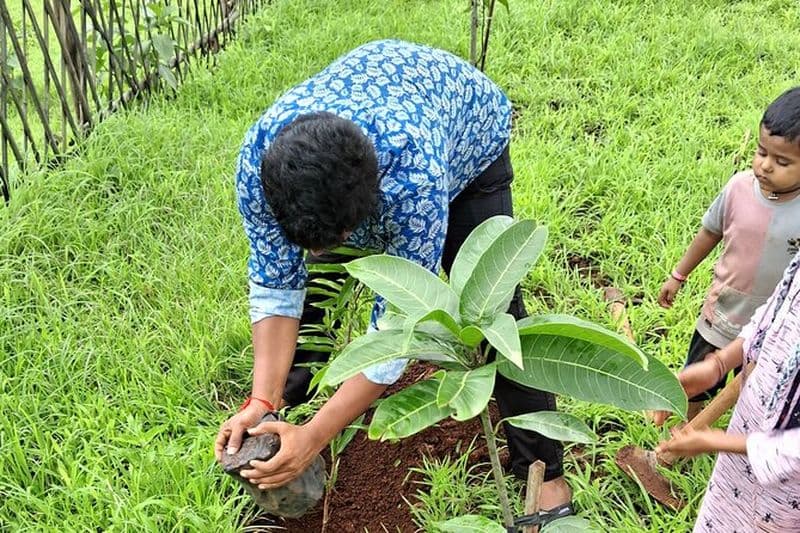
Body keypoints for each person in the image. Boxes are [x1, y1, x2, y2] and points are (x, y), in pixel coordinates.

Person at [214, 39, 572, 511]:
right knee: (314, 293)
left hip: (468, 132)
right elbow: (275, 287)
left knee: (493, 313)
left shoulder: (413, 181)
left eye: (335, 238)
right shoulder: (258, 165)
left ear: (370, 208)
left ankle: (543, 471)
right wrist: (260, 401)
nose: (319, 253)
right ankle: (280, 413)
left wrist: (317, 437)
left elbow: (396, 333)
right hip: (374, 111)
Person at [658, 86, 800, 420]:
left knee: (754, 388)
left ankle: (737, 429)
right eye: (761, 152)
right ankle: (686, 424)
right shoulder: (738, 188)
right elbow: (710, 232)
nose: (765, 166)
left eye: (782, 161)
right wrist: (678, 275)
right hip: (722, 313)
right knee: (698, 378)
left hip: (774, 327)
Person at [655, 250, 800, 532]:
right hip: (743, 441)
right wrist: (719, 364)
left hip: (786, 496)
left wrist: (721, 442)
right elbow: (778, 310)